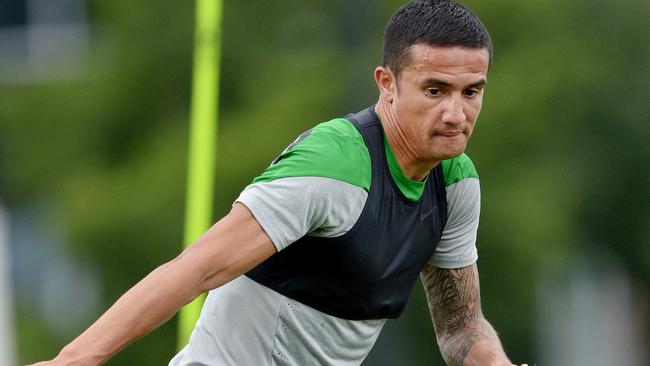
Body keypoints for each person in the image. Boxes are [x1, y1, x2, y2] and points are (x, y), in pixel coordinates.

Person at [30, 1, 528, 365]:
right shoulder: (334, 163)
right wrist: (74, 360)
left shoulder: (456, 183)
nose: (456, 113)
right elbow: (197, 268)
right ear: (387, 84)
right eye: (435, 90)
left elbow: (461, 327)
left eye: (471, 91)